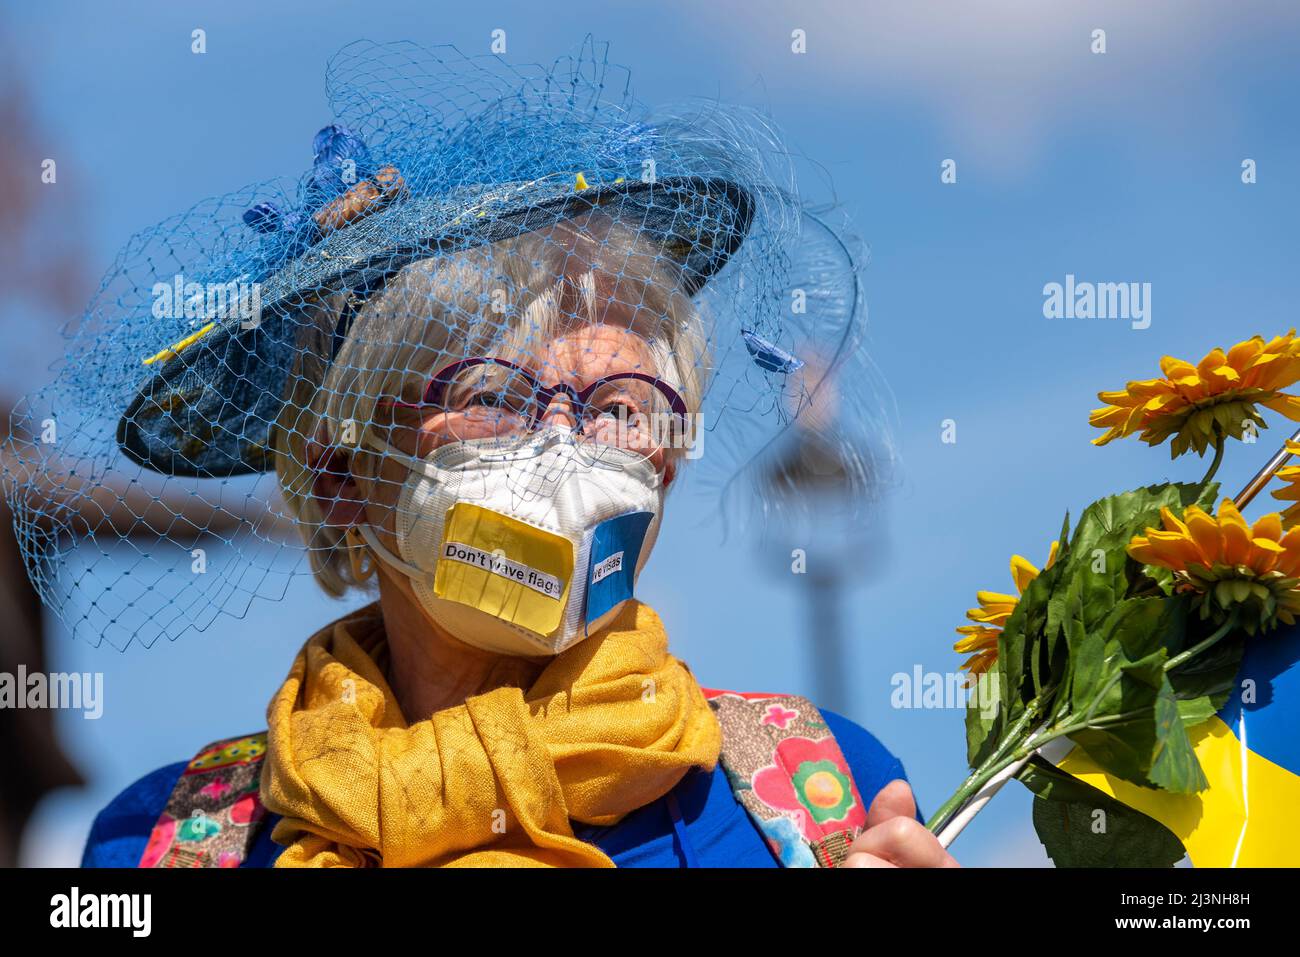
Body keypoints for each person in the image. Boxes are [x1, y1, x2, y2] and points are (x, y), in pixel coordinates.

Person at [10, 38, 954, 868]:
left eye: (623, 405)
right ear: (341, 476)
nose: (566, 444)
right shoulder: (161, 844)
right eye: (490, 396)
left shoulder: (824, 795)